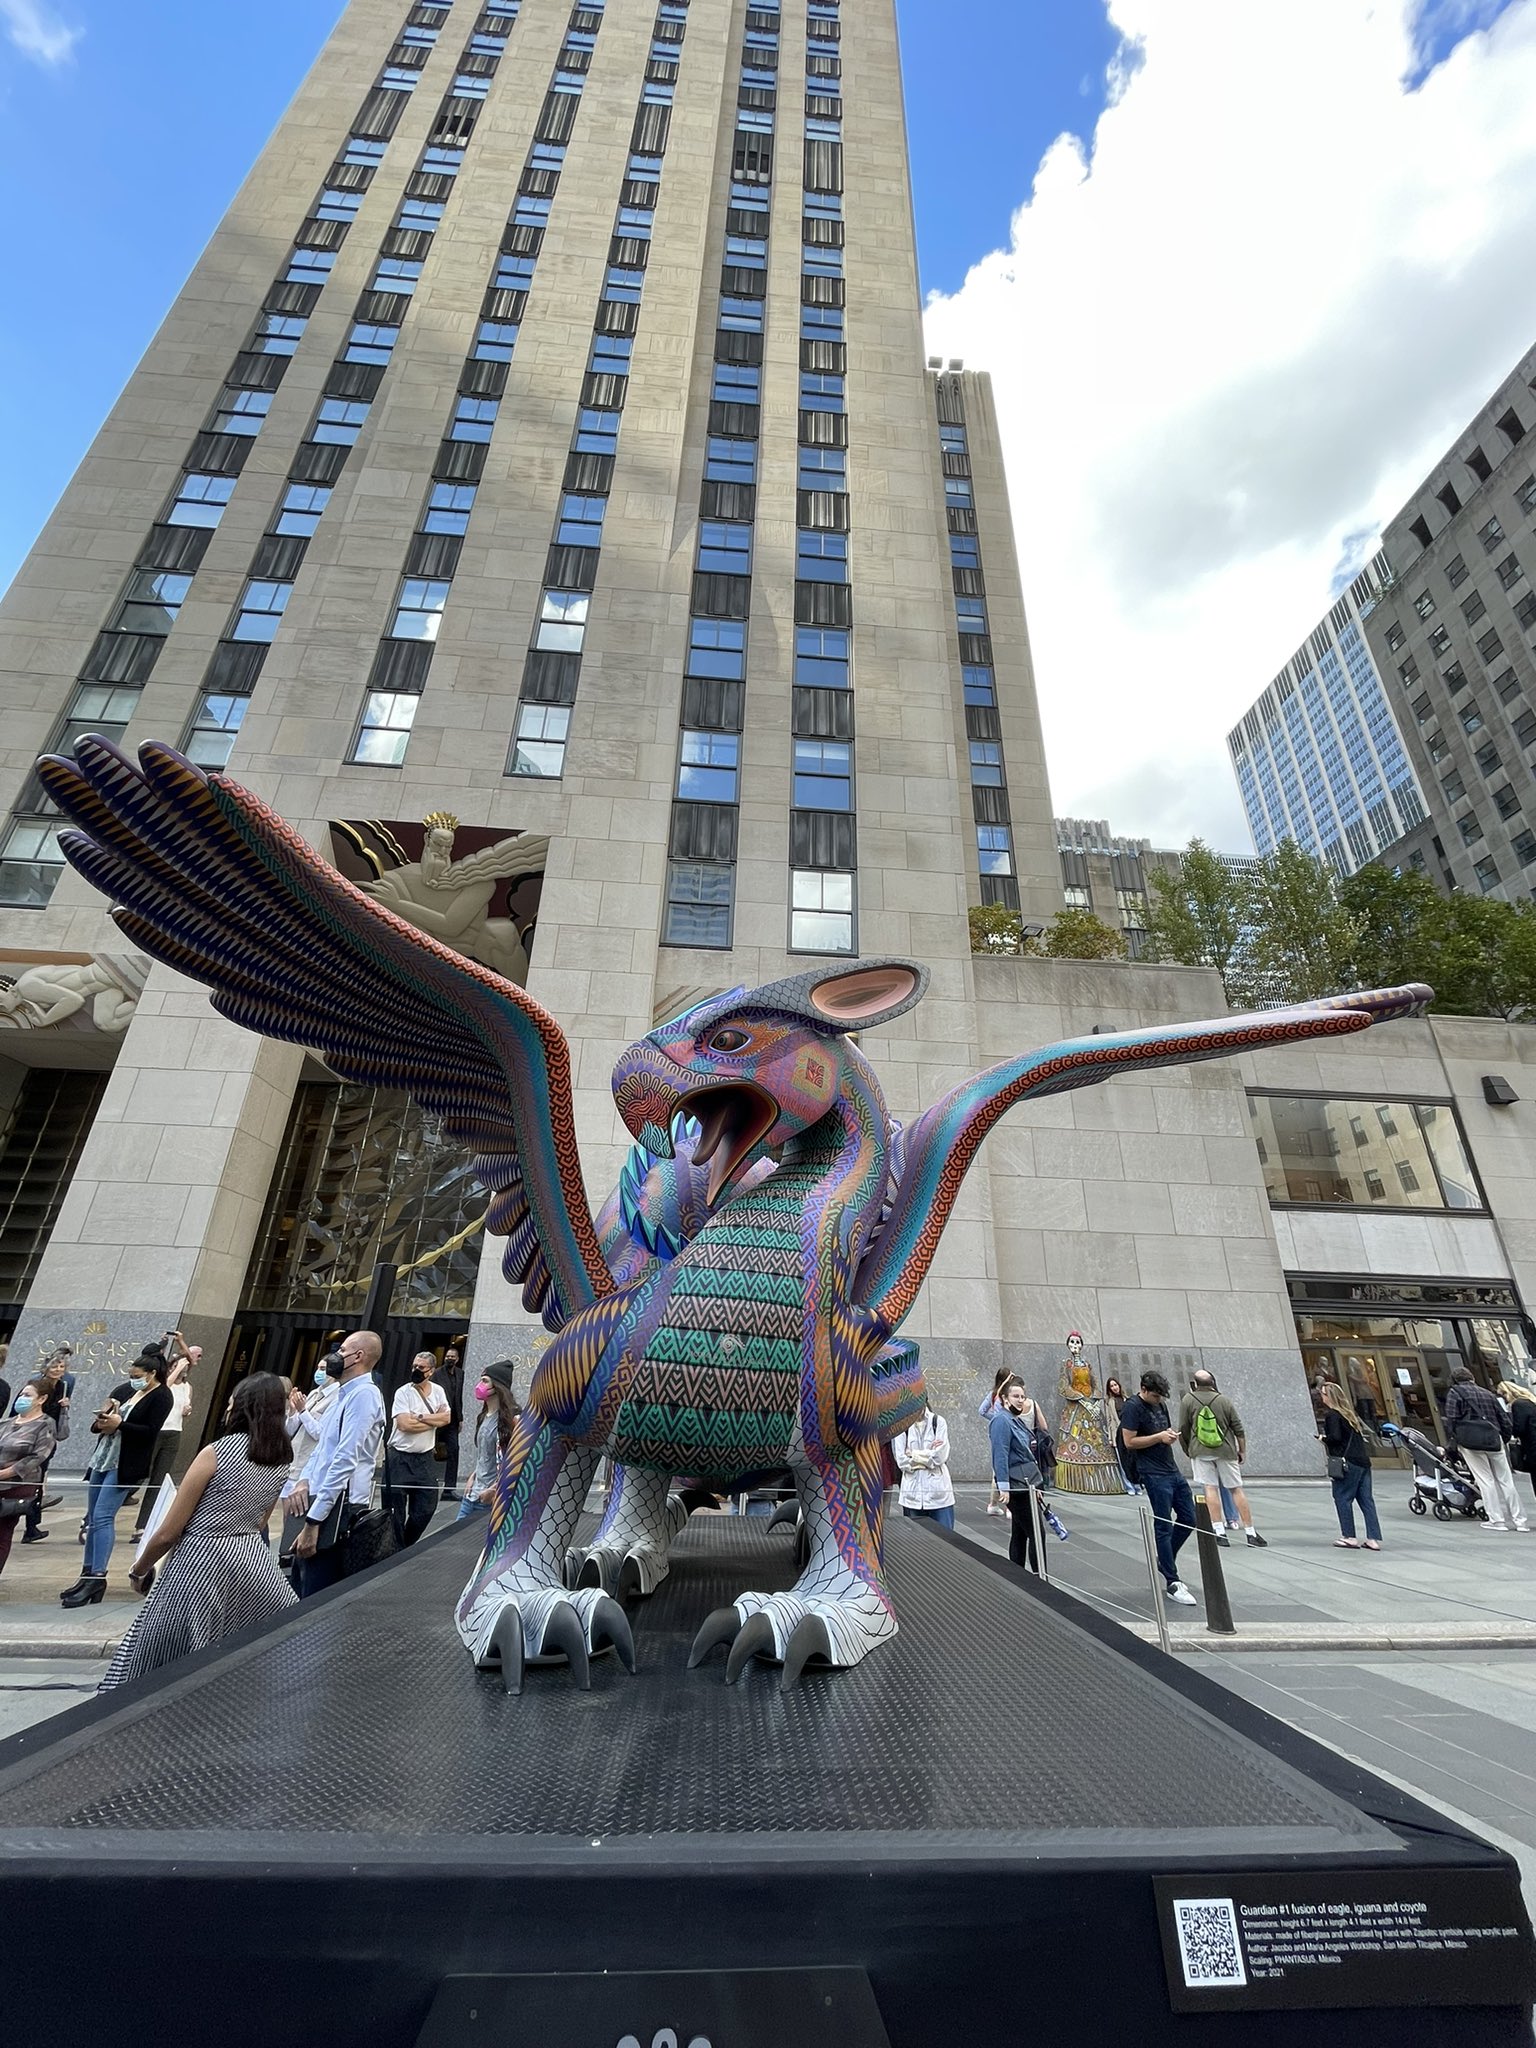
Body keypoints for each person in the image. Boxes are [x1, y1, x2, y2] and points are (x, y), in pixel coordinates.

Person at [100, 1373, 298, 1689]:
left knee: (159, 1651)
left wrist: (140, 1569)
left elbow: (169, 1531)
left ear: (242, 1406)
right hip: (249, 1557)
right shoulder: (281, 1456)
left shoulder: (215, 1452)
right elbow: (261, 1522)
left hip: (198, 1558)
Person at [62, 1347, 173, 1605]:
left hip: (126, 1463)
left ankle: (97, 1577)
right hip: (104, 1456)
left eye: (137, 1374)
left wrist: (120, 1424)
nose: (132, 1378)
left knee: (103, 1517)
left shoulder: (161, 1396)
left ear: (152, 1373)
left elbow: (150, 1432)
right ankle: (86, 1574)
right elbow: (101, 1422)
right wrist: (103, 1419)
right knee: (92, 1518)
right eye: (131, 1374)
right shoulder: (125, 1391)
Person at [281, 1330, 386, 1598]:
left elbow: (345, 1459)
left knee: (317, 1591)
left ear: (358, 1356)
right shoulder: (342, 1394)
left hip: (339, 1508)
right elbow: (322, 1449)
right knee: (300, 1584)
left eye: (342, 1352)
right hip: (319, 1498)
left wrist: (314, 1521)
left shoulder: (365, 1395)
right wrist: (304, 1480)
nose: (335, 1357)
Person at [1120, 1369, 1198, 1606]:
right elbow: (1129, 1441)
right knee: (1163, 1523)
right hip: (1152, 1472)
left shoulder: (1160, 1405)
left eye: (1161, 1397)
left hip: (1171, 1468)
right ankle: (1172, 1580)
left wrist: (1169, 1436)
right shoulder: (1132, 1407)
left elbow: (1162, 1431)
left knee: (1189, 1517)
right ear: (1143, 1390)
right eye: (1155, 1396)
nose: (1159, 1401)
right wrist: (1159, 1437)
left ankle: (1165, 1562)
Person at [1176, 1369, 1267, 1548]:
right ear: (1212, 1382)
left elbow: (1183, 1428)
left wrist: (1189, 1450)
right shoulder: (1223, 1400)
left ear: (1195, 1383)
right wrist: (1242, 1450)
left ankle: (1219, 1532)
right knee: (1236, 1489)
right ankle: (1250, 1532)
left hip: (1200, 1450)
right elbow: (1238, 1428)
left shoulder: (1188, 1400)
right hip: (1226, 1450)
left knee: (1210, 1488)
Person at [1443, 1363, 1529, 1532]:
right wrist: (1502, 1438)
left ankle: (1497, 1520)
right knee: (1506, 1481)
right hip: (1493, 1440)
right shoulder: (1488, 1393)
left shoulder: (1455, 1393)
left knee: (1485, 1480)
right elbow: (1504, 1419)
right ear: (1472, 1378)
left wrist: (1456, 1440)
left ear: (1454, 1380)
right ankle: (1520, 1521)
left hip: (1470, 1441)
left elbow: (1451, 1419)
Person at [133, 1332, 198, 1533]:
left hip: (173, 1433)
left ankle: (143, 1525)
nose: (185, 1369)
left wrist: (180, 1340)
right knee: (138, 1475)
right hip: (156, 1432)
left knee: (158, 1480)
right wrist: (176, 1365)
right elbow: (165, 1390)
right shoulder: (162, 1385)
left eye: (186, 1367)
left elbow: (190, 1360)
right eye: (181, 1367)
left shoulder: (187, 1387)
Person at [385, 1349, 451, 1545]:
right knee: (394, 1510)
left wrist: (420, 1417)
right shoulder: (403, 1392)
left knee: (425, 1508)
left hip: (424, 1459)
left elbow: (447, 1418)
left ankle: (406, 1543)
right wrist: (434, 1420)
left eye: (421, 1367)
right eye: (414, 1366)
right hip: (399, 1457)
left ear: (431, 1371)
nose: (416, 1370)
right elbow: (405, 1425)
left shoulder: (438, 1392)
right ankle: (395, 1549)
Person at [1054, 1333, 1122, 1496]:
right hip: (1075, 1407)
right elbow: (1064, 1386)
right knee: (1075, 1438)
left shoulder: (1087, 1364)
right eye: (1072, 1342)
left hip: (1091, 1405)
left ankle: (1100, 1479)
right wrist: (1082, 1400)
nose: (1075, 1345)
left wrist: (1095, 1401)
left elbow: (1095, 1383)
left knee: (1097, 1440)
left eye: (1077, 1342)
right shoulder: (1066, 1364)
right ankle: (1077, 1479)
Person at [0, 1379, 56, 1577]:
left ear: (41, 1399)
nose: (22, 1399)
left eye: (27, 1395)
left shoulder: (45, 1424)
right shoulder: (6, 1422)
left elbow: (39, 1455)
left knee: (3, 1532)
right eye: (21, 1394)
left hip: (17, 1485)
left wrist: (8, 1472)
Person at [1317, 1379, 1382, 1549]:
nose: (1321, 1397)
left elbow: (1336, 1438)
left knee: (1342, 1497)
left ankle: (1349, 1536)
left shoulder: (1333, 1415)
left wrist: (1323, 1439)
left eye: (1323, 1394)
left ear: (1329, 1397)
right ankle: (1373, 1539)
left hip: (1348, 1463)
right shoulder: (1350, 1415)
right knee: (1366, 1500)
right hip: (1363, 1461)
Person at [989, 1380, 1045, 1574]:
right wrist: (1003, 1486)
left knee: (1020, 1532)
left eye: (1022, 1396)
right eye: (1016, 1396)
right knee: (1037, 1533)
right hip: (1018, 1485)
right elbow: (1000, 1453)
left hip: (1026, 1483)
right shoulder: (1001, 1420)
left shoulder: (1014, 1419)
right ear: (1004, 1398)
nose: (1020, 1400)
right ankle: (1040, 1576)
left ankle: (1017, 1574)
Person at [22, 1349, 74, 1544]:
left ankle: (31, 1526)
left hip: (49, 1437)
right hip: (32, 1435)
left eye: (61, 1366)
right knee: (27, 1481)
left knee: (37, 1483)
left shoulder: (64, 1385)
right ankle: (28, 1524)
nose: (58, 1369)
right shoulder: (37, 1385)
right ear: (46, 1367)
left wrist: (65, 1406)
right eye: (54, 1366)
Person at [458, 1359, 520, 1521]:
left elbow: (515, 1460)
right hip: (473, 1494)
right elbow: (483, 1455)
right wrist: (472, 1476)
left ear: (497, 1386)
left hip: (493, 1498)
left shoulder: (513, 1418)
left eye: (485, 1381)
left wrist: (493, 1490)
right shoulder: (483, 1416)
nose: (480, 1385)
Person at [892, 1404, 955, 1529]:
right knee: (916, 1542)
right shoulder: (901, 1426)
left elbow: (940, 1457)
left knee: (945, 1539)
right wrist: (929, 1453)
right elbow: (901, 1461)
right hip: (912, 1495)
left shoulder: (938, 1422)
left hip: (938, 1494)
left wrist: (913, 1454)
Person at [285, 1360, 341, 1478]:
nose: (318, 1373)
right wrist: (292, 1411)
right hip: (292, 1460)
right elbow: (291, 1430)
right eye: (318, 1368)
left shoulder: (337, 1397)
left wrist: (303, 1411)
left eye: (323, 1369)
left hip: (308, 1465)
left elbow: (320, 1433)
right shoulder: (314, 1393)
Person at [978, 1367, 1018, 1517]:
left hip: (995, 1432)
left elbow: (982, 1411)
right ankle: (1008, 1506)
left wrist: (993, 1418)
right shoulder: (1001, 1396)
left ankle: (993, 1503)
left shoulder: (993, 1393)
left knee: (998, 1468)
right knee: (1006, 1467)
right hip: (1007, 1430)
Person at [1498, 1381, 1536, 1508]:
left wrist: (1508, 1420)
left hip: (1532, 1447)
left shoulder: (1518, 1404)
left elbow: (1519, 1428)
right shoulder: (1530, 1401)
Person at [439, 1344, 466, 1499]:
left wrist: (460, 1418)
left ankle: (449, 1489)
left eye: (452, 1357)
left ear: (457, 1359)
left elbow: (459, 1397)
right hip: (439, 1418)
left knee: (454, 1451)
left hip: (453, 1420)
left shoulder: (460, 1374)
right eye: (447, 1356)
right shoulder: (437, 1374)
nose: (449, 1358)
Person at [1104, 1376, 1139, 1493]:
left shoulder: (1127, 1399)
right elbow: (1109, 1420)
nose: (1114, 1388)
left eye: (1115, 1385)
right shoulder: (1110, 1402)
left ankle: (1137, 1484)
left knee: (1133, 1460)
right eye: (1112, 1386)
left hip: (1129, 1433)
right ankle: (1129, 1486)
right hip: (1117, 1434)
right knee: (1122, 1462)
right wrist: (1110, 1438)